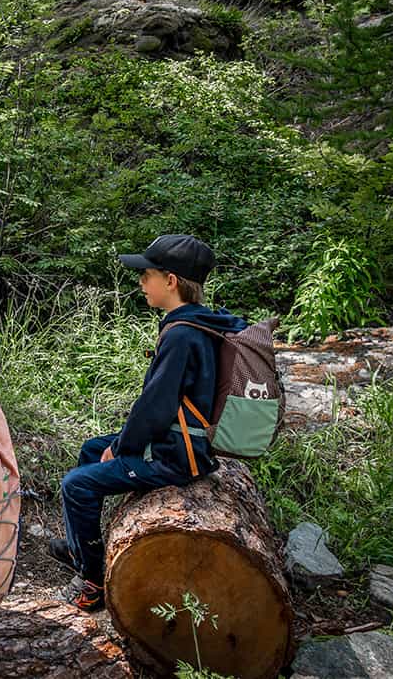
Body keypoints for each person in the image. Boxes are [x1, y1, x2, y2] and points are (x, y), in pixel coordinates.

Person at [49, 234, 247, 611]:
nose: (141, 282)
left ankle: (91, 583)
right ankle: (82, 549)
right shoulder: (199, 323)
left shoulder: (182, 335)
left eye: (147, 274)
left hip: (177, 458)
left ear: (171, 281)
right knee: (91, 449)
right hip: (184, 442)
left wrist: (123, 447)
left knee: (76, 486)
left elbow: (154, 408)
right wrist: (116, 444)